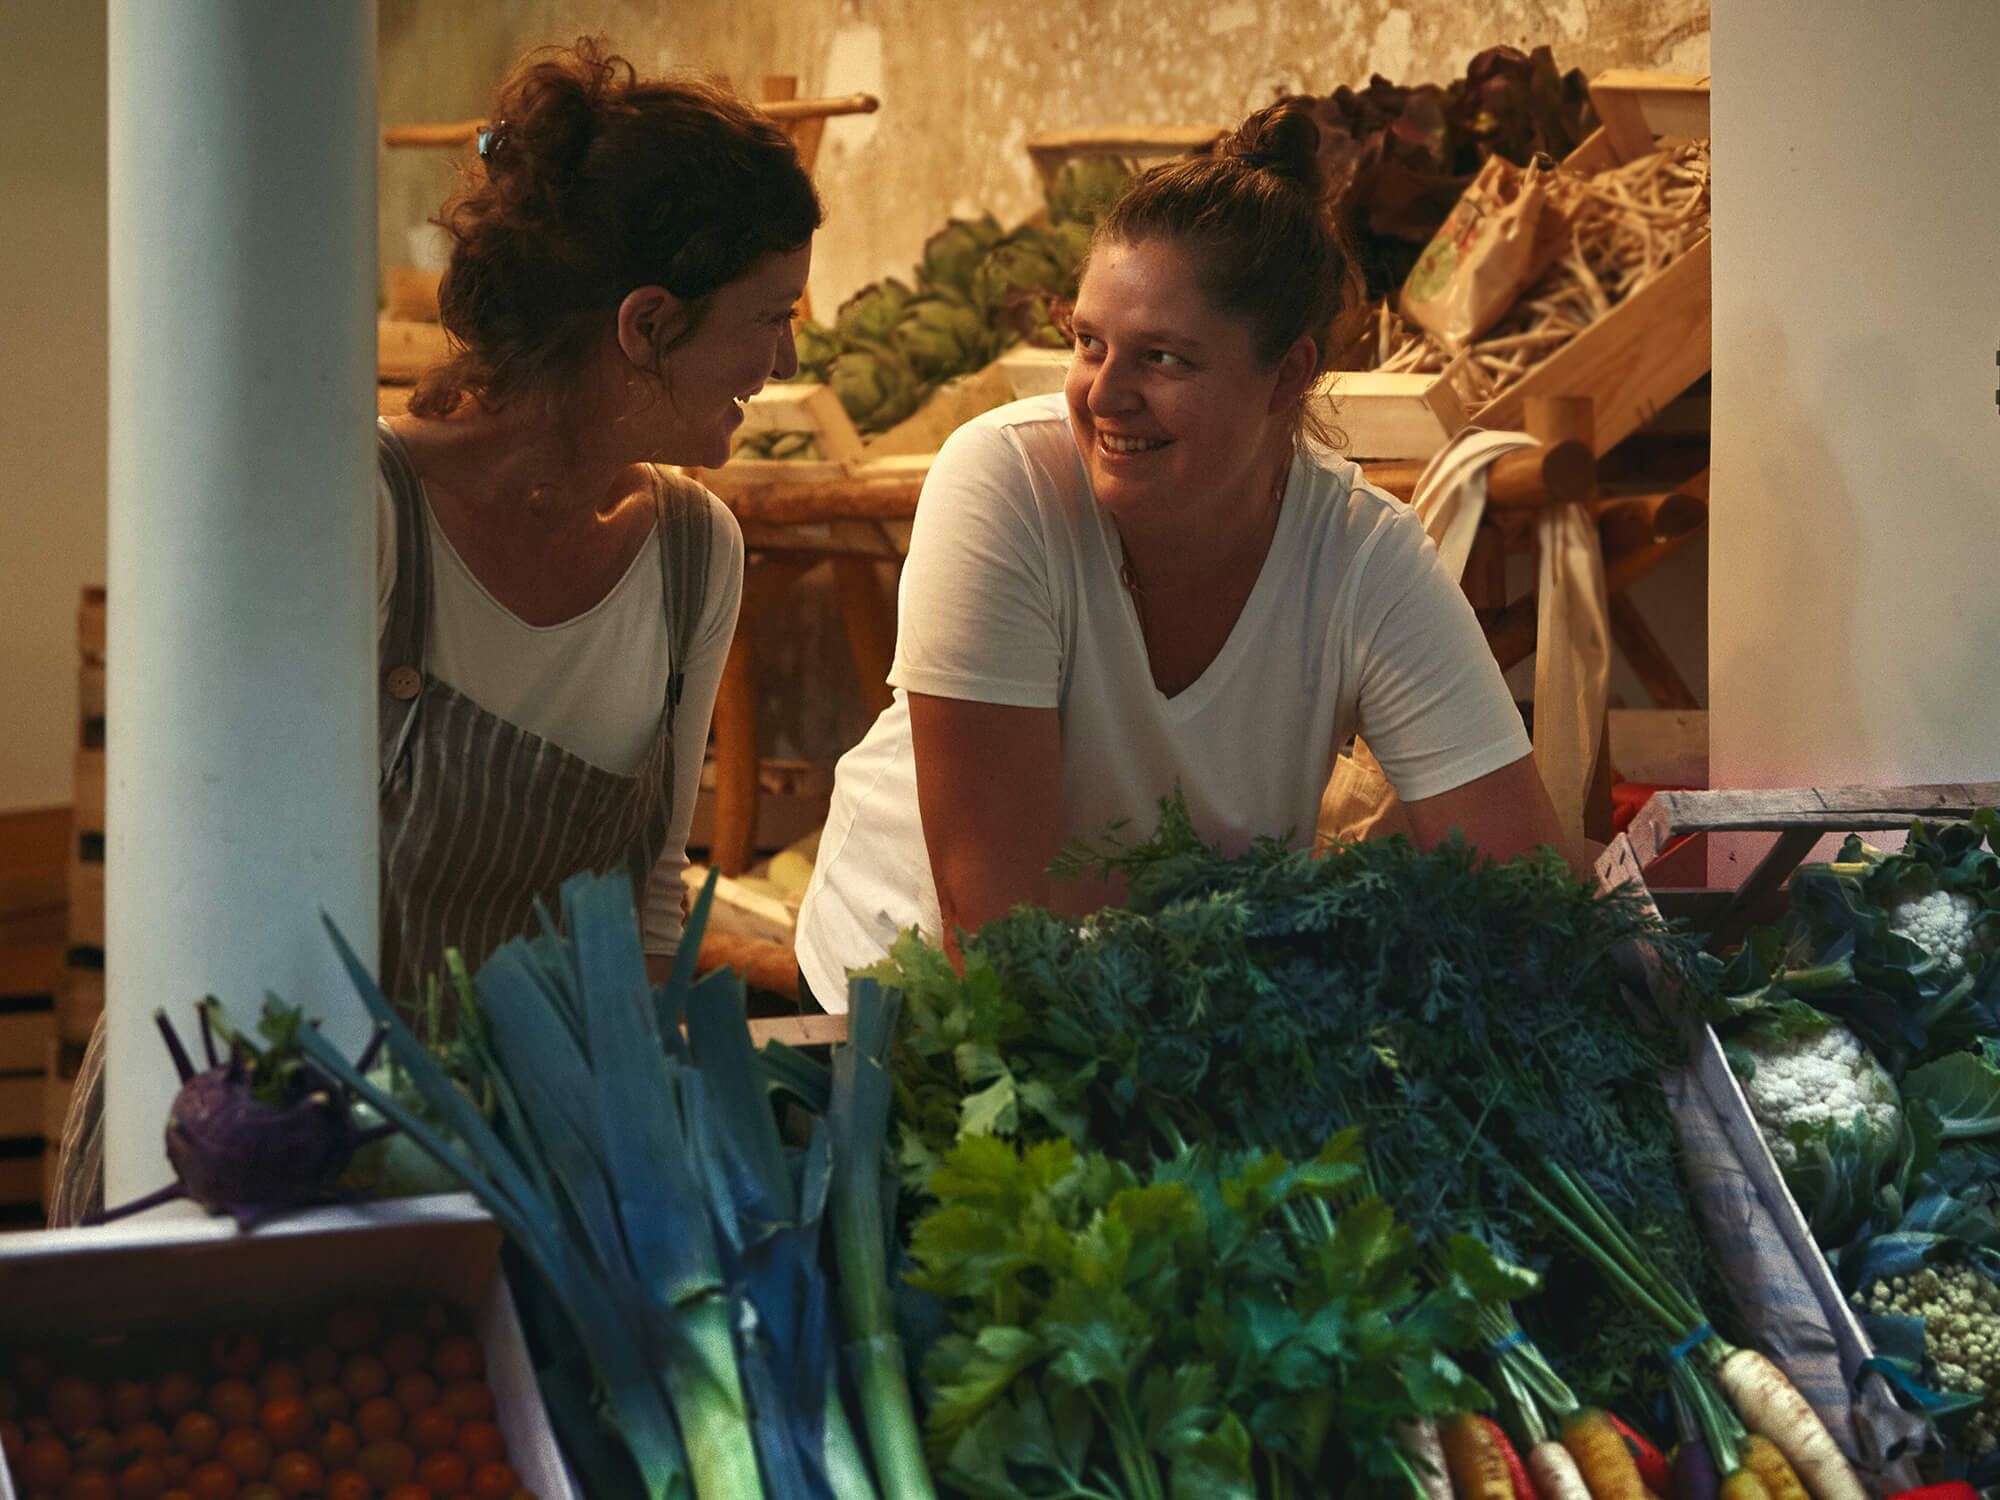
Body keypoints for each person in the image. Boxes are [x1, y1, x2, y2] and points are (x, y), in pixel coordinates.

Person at [50, 38, 821, 1221]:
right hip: (244, 1151)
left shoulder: (691, 558)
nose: (785, 359)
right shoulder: (359, 515)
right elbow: (216, 888)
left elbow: (648, 905)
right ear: (647, 325)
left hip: (490, 1173)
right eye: (769, 317)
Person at [794, 98, 1570, 1012]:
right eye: (1089, 344)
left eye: (1162, 358)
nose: (1104, 395)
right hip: (907, 996)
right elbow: (993, 933)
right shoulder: (1006, 485)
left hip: (1182, 1007)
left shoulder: (1363, 556)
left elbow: (1525, 896)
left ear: (1288, 375)